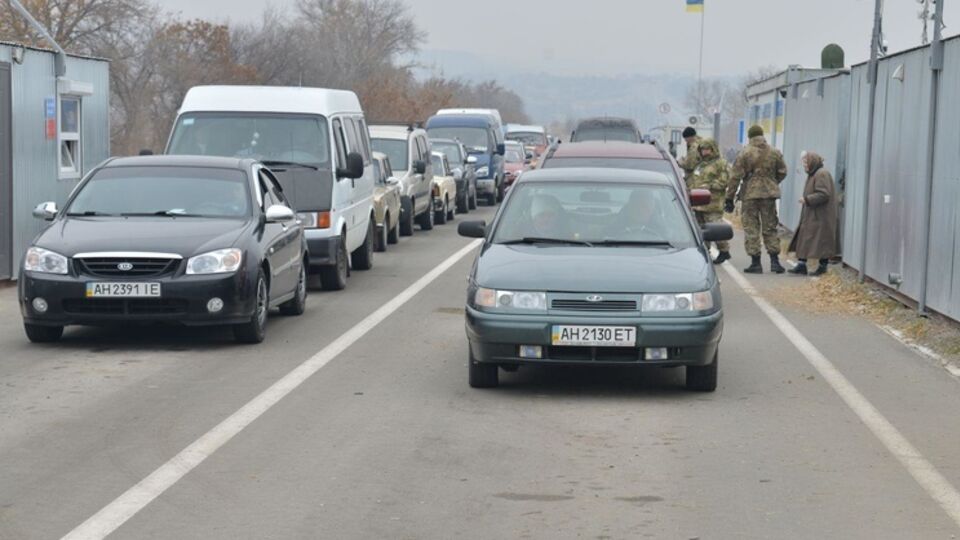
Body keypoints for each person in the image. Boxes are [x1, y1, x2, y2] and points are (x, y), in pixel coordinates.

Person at [725, 125, 788, 274]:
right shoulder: (774, 152)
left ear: (750, 137)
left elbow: (735, 177)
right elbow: (782, 172)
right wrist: (771, 183)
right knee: (770, 227)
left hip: (750, 195)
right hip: (769, 195)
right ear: (761, 135)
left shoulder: (744, 153)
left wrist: (729, 198)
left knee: (751, 228)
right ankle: (775, 262)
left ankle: (756, 263)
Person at [788, 152, 838, 276]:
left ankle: (822, 266)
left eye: (806, 163)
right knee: (806, 237)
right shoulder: (814, 174)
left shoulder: (821, 174)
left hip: (820, 215)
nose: (804, 166)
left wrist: (807, 199)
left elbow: (824, 194)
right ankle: (802, 264)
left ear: (812, 162)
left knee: (821, 241)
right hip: (814, 213)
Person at [689, 139, 731, 264]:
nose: (705, 152)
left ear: (713, 149)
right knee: (701, 228)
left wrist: (708, 185)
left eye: (707, 149)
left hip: (713, 202)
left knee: (715, 227)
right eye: (702, 149)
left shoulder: (721, 163)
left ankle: (724, 251)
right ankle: (704, 251)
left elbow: (724, 182)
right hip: (698, 203)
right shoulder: (701, 164)